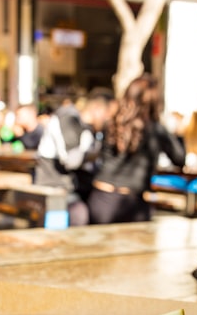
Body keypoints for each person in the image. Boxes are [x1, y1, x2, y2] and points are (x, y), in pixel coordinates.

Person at [87, 74, 187, 224]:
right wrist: (179, 133)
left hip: (101, 198)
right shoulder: (155, 129)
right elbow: (180, 158)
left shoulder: (112, 123)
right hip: (132, 203)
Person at [34, 88, 115, 226]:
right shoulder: (68, 118)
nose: (109, 120)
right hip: (55, 186)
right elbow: (70, 160)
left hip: (76, 187)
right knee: (79, 213)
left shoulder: (90, 128)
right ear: (97, 108)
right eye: (108, 114)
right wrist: (98, 151)